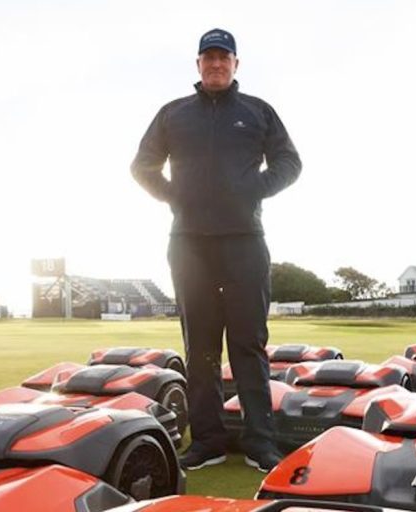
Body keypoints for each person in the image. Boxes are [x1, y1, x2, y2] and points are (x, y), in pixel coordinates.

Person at [130, 28, 301, 472]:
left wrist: (254, 190)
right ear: (199, 64)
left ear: (236, 64)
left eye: (224, 57)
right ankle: (207, 440)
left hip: (245, 241)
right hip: (188, 244)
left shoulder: (258, 111)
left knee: (248, 343)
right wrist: (175, 196)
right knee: (201, 347)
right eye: (209, 57)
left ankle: (260, 441)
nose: (217, 64)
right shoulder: (173, 114)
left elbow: (290, 162)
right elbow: (142, 166)